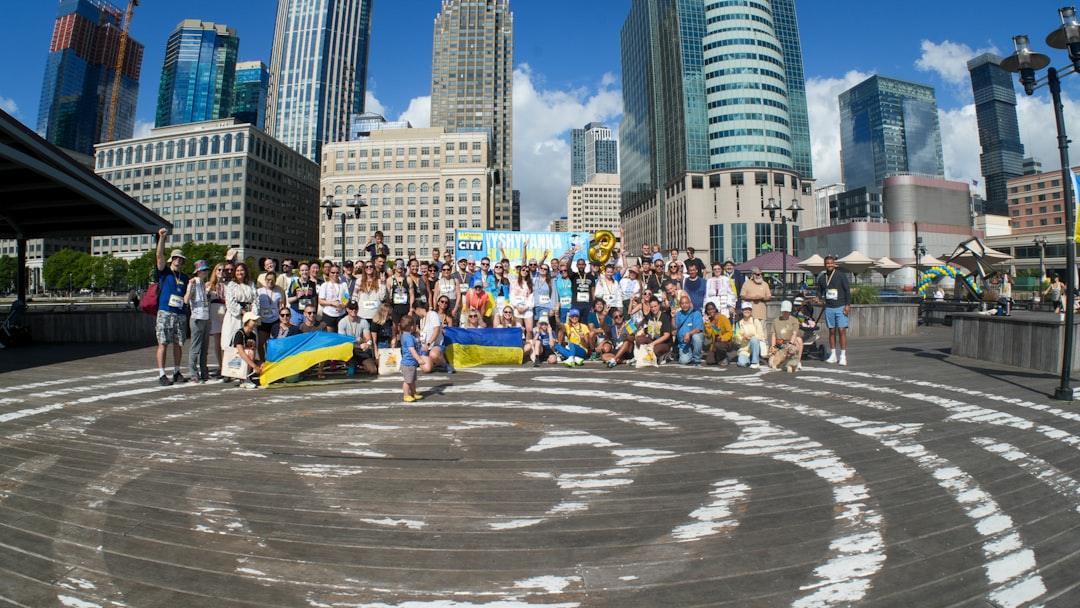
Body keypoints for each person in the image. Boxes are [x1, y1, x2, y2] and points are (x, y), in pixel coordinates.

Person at [152, 229, 188, 386]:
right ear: (171, 259)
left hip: (180, 313)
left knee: (178, 343)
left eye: (180, 258)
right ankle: (161, 373)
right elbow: (159, 256)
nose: (177, 260)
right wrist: (162, 238)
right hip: (166, 311)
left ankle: (176, 371)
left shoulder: (185, 277)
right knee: (163, 343)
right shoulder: (165, 273)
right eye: (175, 258)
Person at [816, 255, 851, 365]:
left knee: (841, 330)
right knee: (831, 331)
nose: (829, 265)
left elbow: (847, 290)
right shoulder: (822, 277)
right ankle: (833, 354)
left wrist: (848, 305)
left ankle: (843, 355)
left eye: (831, 263)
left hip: (840, 306)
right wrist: (818, 297)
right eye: (827, 263)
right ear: (824, 265)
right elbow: (819, 291)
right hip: (829, 307)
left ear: (834, 264)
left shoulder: (841, 275)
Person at [184, 260, 211, 383]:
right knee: (195, 347)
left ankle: (204, 372)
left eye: (206, 270)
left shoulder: (203, 284)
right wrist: (190, 288)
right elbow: (186, 300)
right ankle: (194, 373)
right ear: (198, 271)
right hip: (197, 318)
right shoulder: (194, 283)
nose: (206, 272)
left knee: (204, 347)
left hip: (205, 317)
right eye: (203, 270)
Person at [338, 301, 379, 376]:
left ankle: (361, 364)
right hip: (348, 349)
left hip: (360, 350)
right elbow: (342, 341)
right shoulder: (342, 322)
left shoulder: (363, 322)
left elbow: (368, 339)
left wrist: (367, 344)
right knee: (345, 349)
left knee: (373, 370)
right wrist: (357, 343)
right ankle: (351, 363)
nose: (353, 310)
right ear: (347, 309)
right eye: (351, 308)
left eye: (355, 308)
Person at [414, 299, 452, 373]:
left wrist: (428, 344)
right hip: (425, 348)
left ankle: (445, 364)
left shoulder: (432, 314)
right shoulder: (422, 319)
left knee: (434, 354)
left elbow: (437, 330)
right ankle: (433, 362)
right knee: (426, 369)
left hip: (435, 345)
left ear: (418, 309)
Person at [399, 315, 430, 402]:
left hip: (411, 363)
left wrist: (417, 335)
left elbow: (417, 342)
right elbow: (412, 350)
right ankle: (406, 395)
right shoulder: (408, 337)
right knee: (407, 381)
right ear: (411, 326)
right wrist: (419, 359)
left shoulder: (408, 336)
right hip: (408, 363)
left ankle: (414, 393)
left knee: (412, 380)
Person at [256, 270, 285, 360]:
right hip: (263, 321)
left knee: (272, 344)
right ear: (265, 280)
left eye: (272, 280)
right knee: (260, 343)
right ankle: (262, 361)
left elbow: (280, 306)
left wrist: (282, 320)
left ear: (275, 281)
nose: (270, 282)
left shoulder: (278, 291)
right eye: (268, 280)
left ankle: (271, 361)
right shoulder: (259, 291)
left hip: (274, 320)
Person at [206, 262, 229, 379]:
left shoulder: (227, 285)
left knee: (225, 342)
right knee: (217, 342)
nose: (221, 272)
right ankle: (220, 365)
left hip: (225, 313)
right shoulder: (210, 286)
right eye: (219, 270)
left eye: (223, 270)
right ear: (215, 272)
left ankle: (226, 366)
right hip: (215, 314)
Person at [230, 311, 262, 389]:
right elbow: (241, 352)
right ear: (247, 321)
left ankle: (249, 376)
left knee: (263, 365)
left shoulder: (253, 335)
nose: (256, 323)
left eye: (256, 321)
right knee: (251, 352)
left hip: (246, 359)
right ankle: (244, 379)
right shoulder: (239, 333)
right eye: (253, 321)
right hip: (236, 360)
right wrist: (254, 366)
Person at [636, 297, 673, 364]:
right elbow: (648, 328)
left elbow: (667, 335)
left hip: (664, 343)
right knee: (639, 339)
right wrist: (644, 333)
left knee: (654, 350)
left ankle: (663, 354)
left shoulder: (664, 316)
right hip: (652, 339)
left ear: (659, 305)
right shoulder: (650, 316)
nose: (653, 309)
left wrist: (653, 343)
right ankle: (646, 356)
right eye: (651, 307)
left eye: (655, 306)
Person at [769, 300, 804, 370]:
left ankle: (798, 361)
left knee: (799, 340)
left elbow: (794, 333)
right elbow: (773, 335)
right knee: (771, 363)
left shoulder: (794, 320)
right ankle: (784, 362)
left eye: (787, 311)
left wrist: (790, 343)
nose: (785, 313)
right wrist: (773, 346)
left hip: (789, 342)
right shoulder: (776, 321)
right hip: (779, 343)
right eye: (784, 311)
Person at [317, 264, 348, 331]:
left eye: (337, 272)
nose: (335, 274)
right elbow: (320, 301)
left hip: (341, 314)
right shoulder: (325, 285)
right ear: (329, 273)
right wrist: (332, 303)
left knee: (342, 334)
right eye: (333, 273)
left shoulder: (343, 284)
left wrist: (342, 306)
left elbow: (346, 298)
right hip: (329, 313)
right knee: (331, 336)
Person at [674, 294, 704, 366]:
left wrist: (688, 333)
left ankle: (696, 358)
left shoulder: (696, 313)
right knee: (683, 361)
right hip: (683, 343)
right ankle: (689, 353)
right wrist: (672, 317)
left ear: (690, 303)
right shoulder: (678, 314)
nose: (684, 305)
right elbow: (674, 327)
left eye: (686, 303)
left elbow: (698, 329)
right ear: (680, 305)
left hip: (692, 340)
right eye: (682, 303)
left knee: (696, 337)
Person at [703, 301, 734, 366]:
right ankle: (719, 357)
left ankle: (725, 357)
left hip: (727, 342)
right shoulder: (709, 321)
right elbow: (708, 336)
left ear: (715, 309)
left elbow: (730, 332)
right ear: (706, 312)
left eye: (712, 309)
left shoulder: (723, 318)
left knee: (718, 345)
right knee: (710, 361)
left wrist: (722, 338)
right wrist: (707, 324)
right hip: (715, 344)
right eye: (708, 310)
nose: (711, 311)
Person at [733, 301, 763, 369]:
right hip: (744, 349)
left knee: (754, 340)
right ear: (742, 310)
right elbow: (736, 338)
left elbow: (761, 335)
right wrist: (743, 338)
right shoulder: (738, 324)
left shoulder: (756, 321)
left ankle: (755, 361)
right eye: (745, 309)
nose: (747, 311)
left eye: (749, 309)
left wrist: (752, 336)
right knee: (741, 363)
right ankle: (749, 359)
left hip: (755, 346)